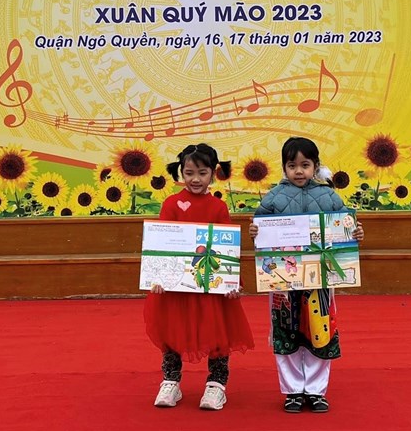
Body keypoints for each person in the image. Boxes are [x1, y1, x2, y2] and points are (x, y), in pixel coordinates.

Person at [248, 137, 364, 414]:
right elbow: (261, 231)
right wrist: (255, 232)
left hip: (321, 280)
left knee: (319, 330)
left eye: (305, 165)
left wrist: (356, 233)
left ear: (315, 165)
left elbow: (346, 228)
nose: (298, 171)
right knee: (285, 331)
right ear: (284, 167)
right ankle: (292, 391)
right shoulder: (273, 198)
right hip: (283, 282)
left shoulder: (329, 197)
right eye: (292, 165)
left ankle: (315, 390)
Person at [144, 143, 254, 411]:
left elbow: (228, 248)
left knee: (218, 333)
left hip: (211, 288)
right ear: (180, 172)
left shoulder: (218, 207)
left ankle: (217, 385)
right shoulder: (171, 204)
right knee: (172, 331)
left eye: (202, 173)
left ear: (213, 173)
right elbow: (162, 244)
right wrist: (157, 276)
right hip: (176, 289)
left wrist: (232, 282)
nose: (195, 179)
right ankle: (171, 381)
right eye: (189, 172)